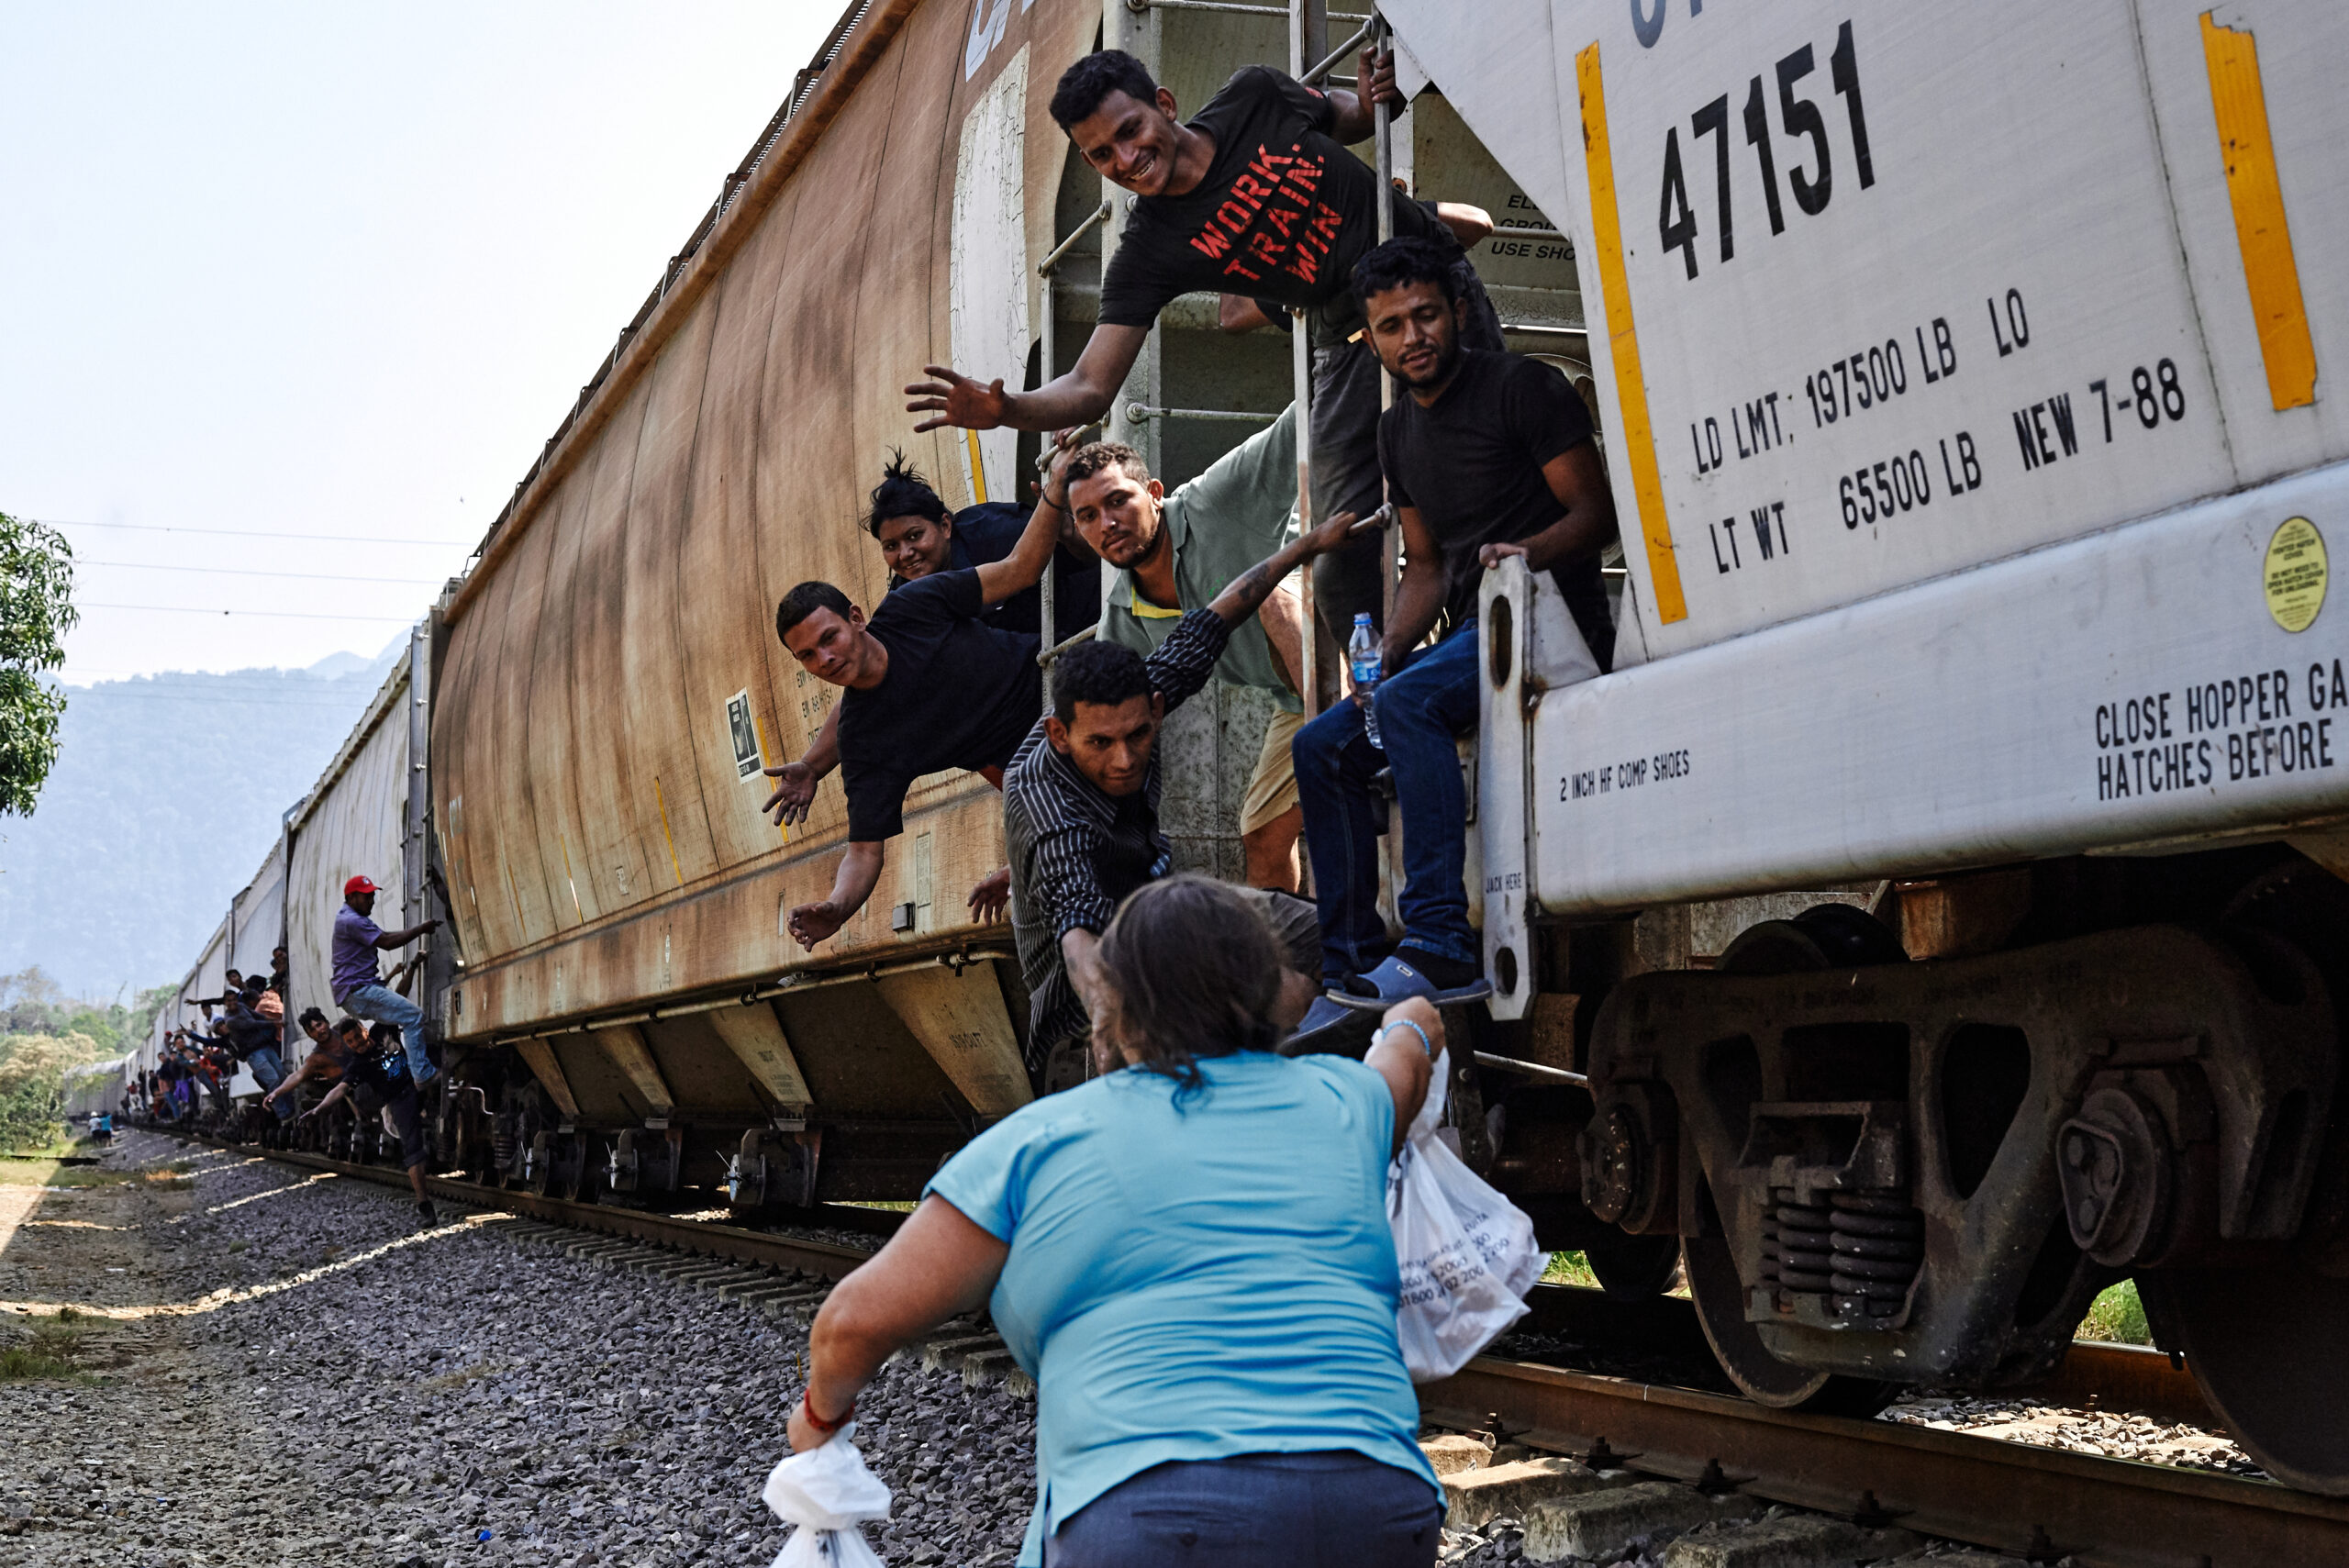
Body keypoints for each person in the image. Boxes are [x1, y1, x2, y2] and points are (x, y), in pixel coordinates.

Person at [785, 875, 1450, 1568]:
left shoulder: (1038, 1143)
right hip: (1376, 1506)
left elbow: (853, 1321)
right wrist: (1409, 1020)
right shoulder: (1347, 1104)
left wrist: (820, 1417)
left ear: (1118, 1006)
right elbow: (1407, 1048)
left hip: (1151, 1514)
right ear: (1273, 988)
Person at [906, 47, 1501, 646]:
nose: (1128, 159)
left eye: (1131, 131)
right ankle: (1386, 679)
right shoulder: (1150, 248)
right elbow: (1090, 385)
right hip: (1349, 341)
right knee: (1339, 543)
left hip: (1429, 286)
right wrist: (1007, 410)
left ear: (1164, 106)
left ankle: (1500, 628)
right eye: (1102, 155)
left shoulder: (1256, 96)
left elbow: (1346, 117)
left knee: (1479, 474)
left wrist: (1374, 101)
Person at [1291, 238, 1617, 1047]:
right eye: (1392, 325)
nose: (1414, 337)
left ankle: (1438, 941)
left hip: (1548, 623)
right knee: (1324, 743)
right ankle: (1353, 964)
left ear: (1459, 311)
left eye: (1426, 315)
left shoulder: (1523, 389)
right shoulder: (1395, 432)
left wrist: (1527, 551)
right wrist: (1385, 658)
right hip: (1470, 635)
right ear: (1371, 338)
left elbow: (1597, 517)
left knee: (1408, 704)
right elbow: (1427, 568)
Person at [1007, 466, 1360, 1089]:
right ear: (1061, 736)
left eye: (1137, 736)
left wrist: (1306, 546)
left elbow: (1225, 608)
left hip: (1161, 909)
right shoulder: (1048, 803)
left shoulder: (1151, 687)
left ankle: (1309, 1080)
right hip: (1087, 986)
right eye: (1101, 745)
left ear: (1158, 708)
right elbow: (1078, 927)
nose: (1124, 760)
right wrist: (1109, 1014)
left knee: (1319, 934)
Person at [767, 441, 1074, 951]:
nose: (824, 660)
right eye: (807, 657)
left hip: (1064, 692)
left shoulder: (916, 604)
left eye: (829, 638)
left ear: (857, 618)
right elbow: (864, 854)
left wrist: (1057, 493)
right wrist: (838, 906)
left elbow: (1021, 568)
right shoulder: (864, 742)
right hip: (1035, 767)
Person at [1074, 411, 1313, 890]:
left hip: (1364, 630)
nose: (1108, 523)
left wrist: (1349, 340)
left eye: (1118, 501)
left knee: (1268, 595)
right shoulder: (1125, 619)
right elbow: (1084, 726)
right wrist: (1028, 849)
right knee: (1261, 835)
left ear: (1156, 494)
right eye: (1088, 516)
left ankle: (1355, 736)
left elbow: (1305, 416)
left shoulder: (1218, 497)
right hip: (1299, 700)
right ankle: (1289, 961)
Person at [298, 1017, 436, 1226]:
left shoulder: (383, 1030)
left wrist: (400, 980)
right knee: (413, 1152)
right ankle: (425, 1207)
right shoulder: (358, 1064)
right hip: (400, 1099)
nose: (356, 1044)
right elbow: (340, 1089)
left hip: (420, 1082)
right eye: (350, 1042)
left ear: (364, 1030)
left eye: (357, 1037)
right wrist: (319, 1108)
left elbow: (396, 1002)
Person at [332, 874, 440, 1084]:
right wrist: (421, 929)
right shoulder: (351, 921)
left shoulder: (350, 918)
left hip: (358, 990)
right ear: (352, 897)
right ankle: (423, 1074)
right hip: (358, 991)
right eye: (366, 897)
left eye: (372, 896)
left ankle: (419, 1069)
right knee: (413, 1016)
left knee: (406, 1015)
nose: (371, 901)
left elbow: (384, 935)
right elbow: (387, 942)